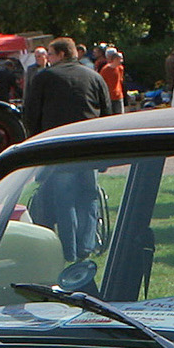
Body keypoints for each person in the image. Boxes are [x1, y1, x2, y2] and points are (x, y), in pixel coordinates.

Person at [21, 37, 109, 263]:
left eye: (50, 54)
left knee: (65, 200)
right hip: (89, 149)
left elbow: (30, 114)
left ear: (60, 55)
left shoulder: (45, 78)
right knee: (89, 198)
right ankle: (86, 246)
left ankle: (69, 250)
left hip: (60, 148)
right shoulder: (95, 77)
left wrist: (37, 144)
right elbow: (108, 115)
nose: (47, 59)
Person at [99, 47, 125, 115]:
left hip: (118, 96)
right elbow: (101, 83)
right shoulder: (105, 70)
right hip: (109, 97)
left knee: (120, 115)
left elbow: (121, 80)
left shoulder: (120, 68)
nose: (122, 61)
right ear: (115, 59)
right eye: (120, 59)